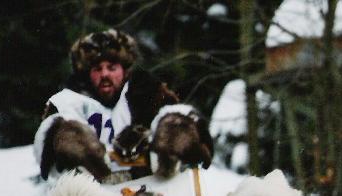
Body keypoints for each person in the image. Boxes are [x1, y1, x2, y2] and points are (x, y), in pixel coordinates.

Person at [34, 28, 213, 185]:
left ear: (124, 70)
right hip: (90, 192)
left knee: (175, 125)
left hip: (152, 185)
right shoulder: (70, 101)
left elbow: (180, 118)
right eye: (97, 69)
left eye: (111, 67)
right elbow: (47, 149)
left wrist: (171, 135)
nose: (104, 74)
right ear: (87, 73)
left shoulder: (148, 91)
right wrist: (73, 143)